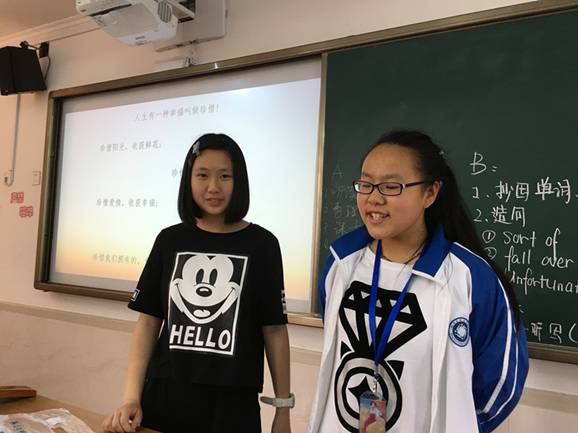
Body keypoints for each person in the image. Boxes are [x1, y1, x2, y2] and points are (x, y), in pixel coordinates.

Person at [308, 130, 528, 433]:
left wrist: (456, 423)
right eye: (366, 184)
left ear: (430, 193)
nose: (374, 198)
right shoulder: (341, 264)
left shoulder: (469, 277)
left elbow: (499, 383)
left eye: (391, 186)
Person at [103, 133, 293, 433]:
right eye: (202, 175)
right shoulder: (169, 240)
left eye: (225, 176)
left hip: (234, 406)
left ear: (239, 180)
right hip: (166, 396)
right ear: (188, 180)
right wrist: (131, 397)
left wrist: (283, 409)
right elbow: (148, 323)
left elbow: (274, 330)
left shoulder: (263, 244)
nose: (213, 187)